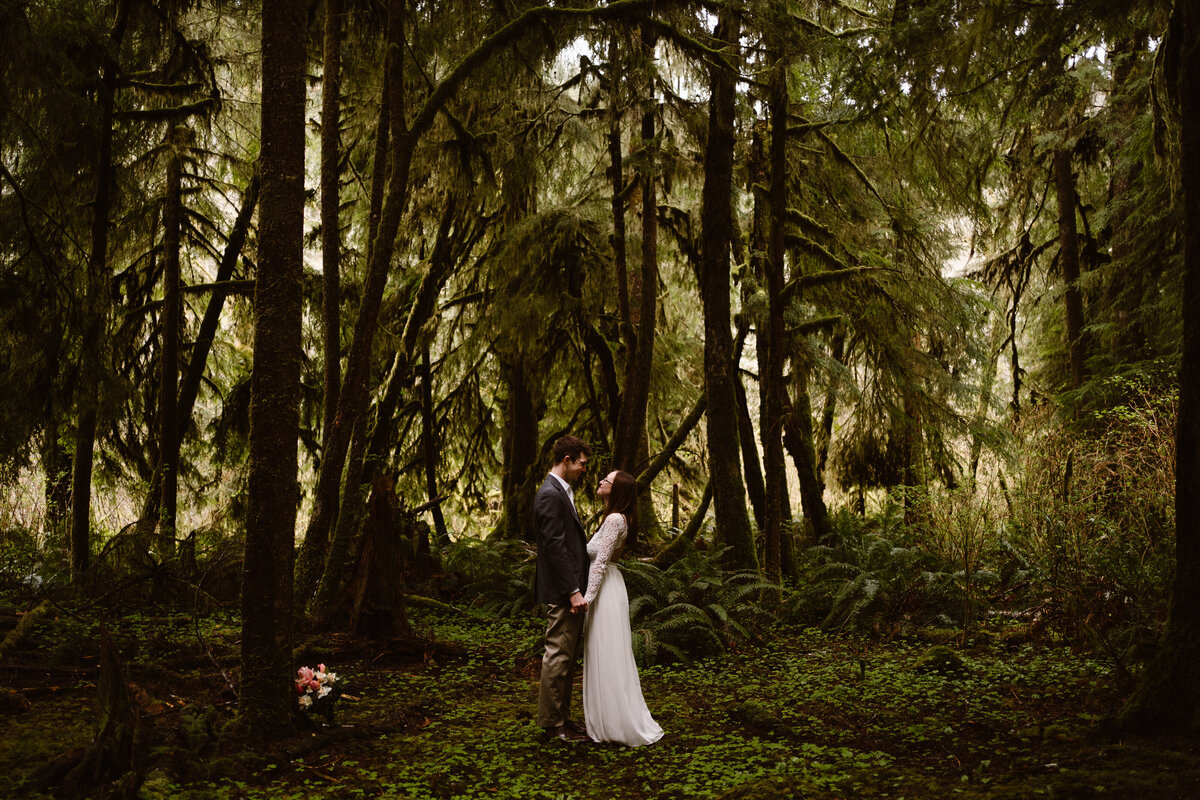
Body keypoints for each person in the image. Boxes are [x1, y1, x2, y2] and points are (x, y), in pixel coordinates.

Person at [582, 469, 664, 747]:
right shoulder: (612, 517)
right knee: (603, 650)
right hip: (607, 586)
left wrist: (587, 598)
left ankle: (615, 721)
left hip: (604, 589)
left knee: (607, 652)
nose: (601, 481)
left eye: (608, 480)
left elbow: (601, 561)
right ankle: (604, 717)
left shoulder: (616, 519)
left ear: (617, 490)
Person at [533, 435, 592, 742]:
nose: (585, 469)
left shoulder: (561, 492)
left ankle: (562, 720)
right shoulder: (549, 495)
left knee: (567, 659)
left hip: (569, 590)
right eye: (582, 463)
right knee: (557, 656)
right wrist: (572, 590)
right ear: (567, 460)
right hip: (562, 592)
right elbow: (555, 548)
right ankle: (552, 726)